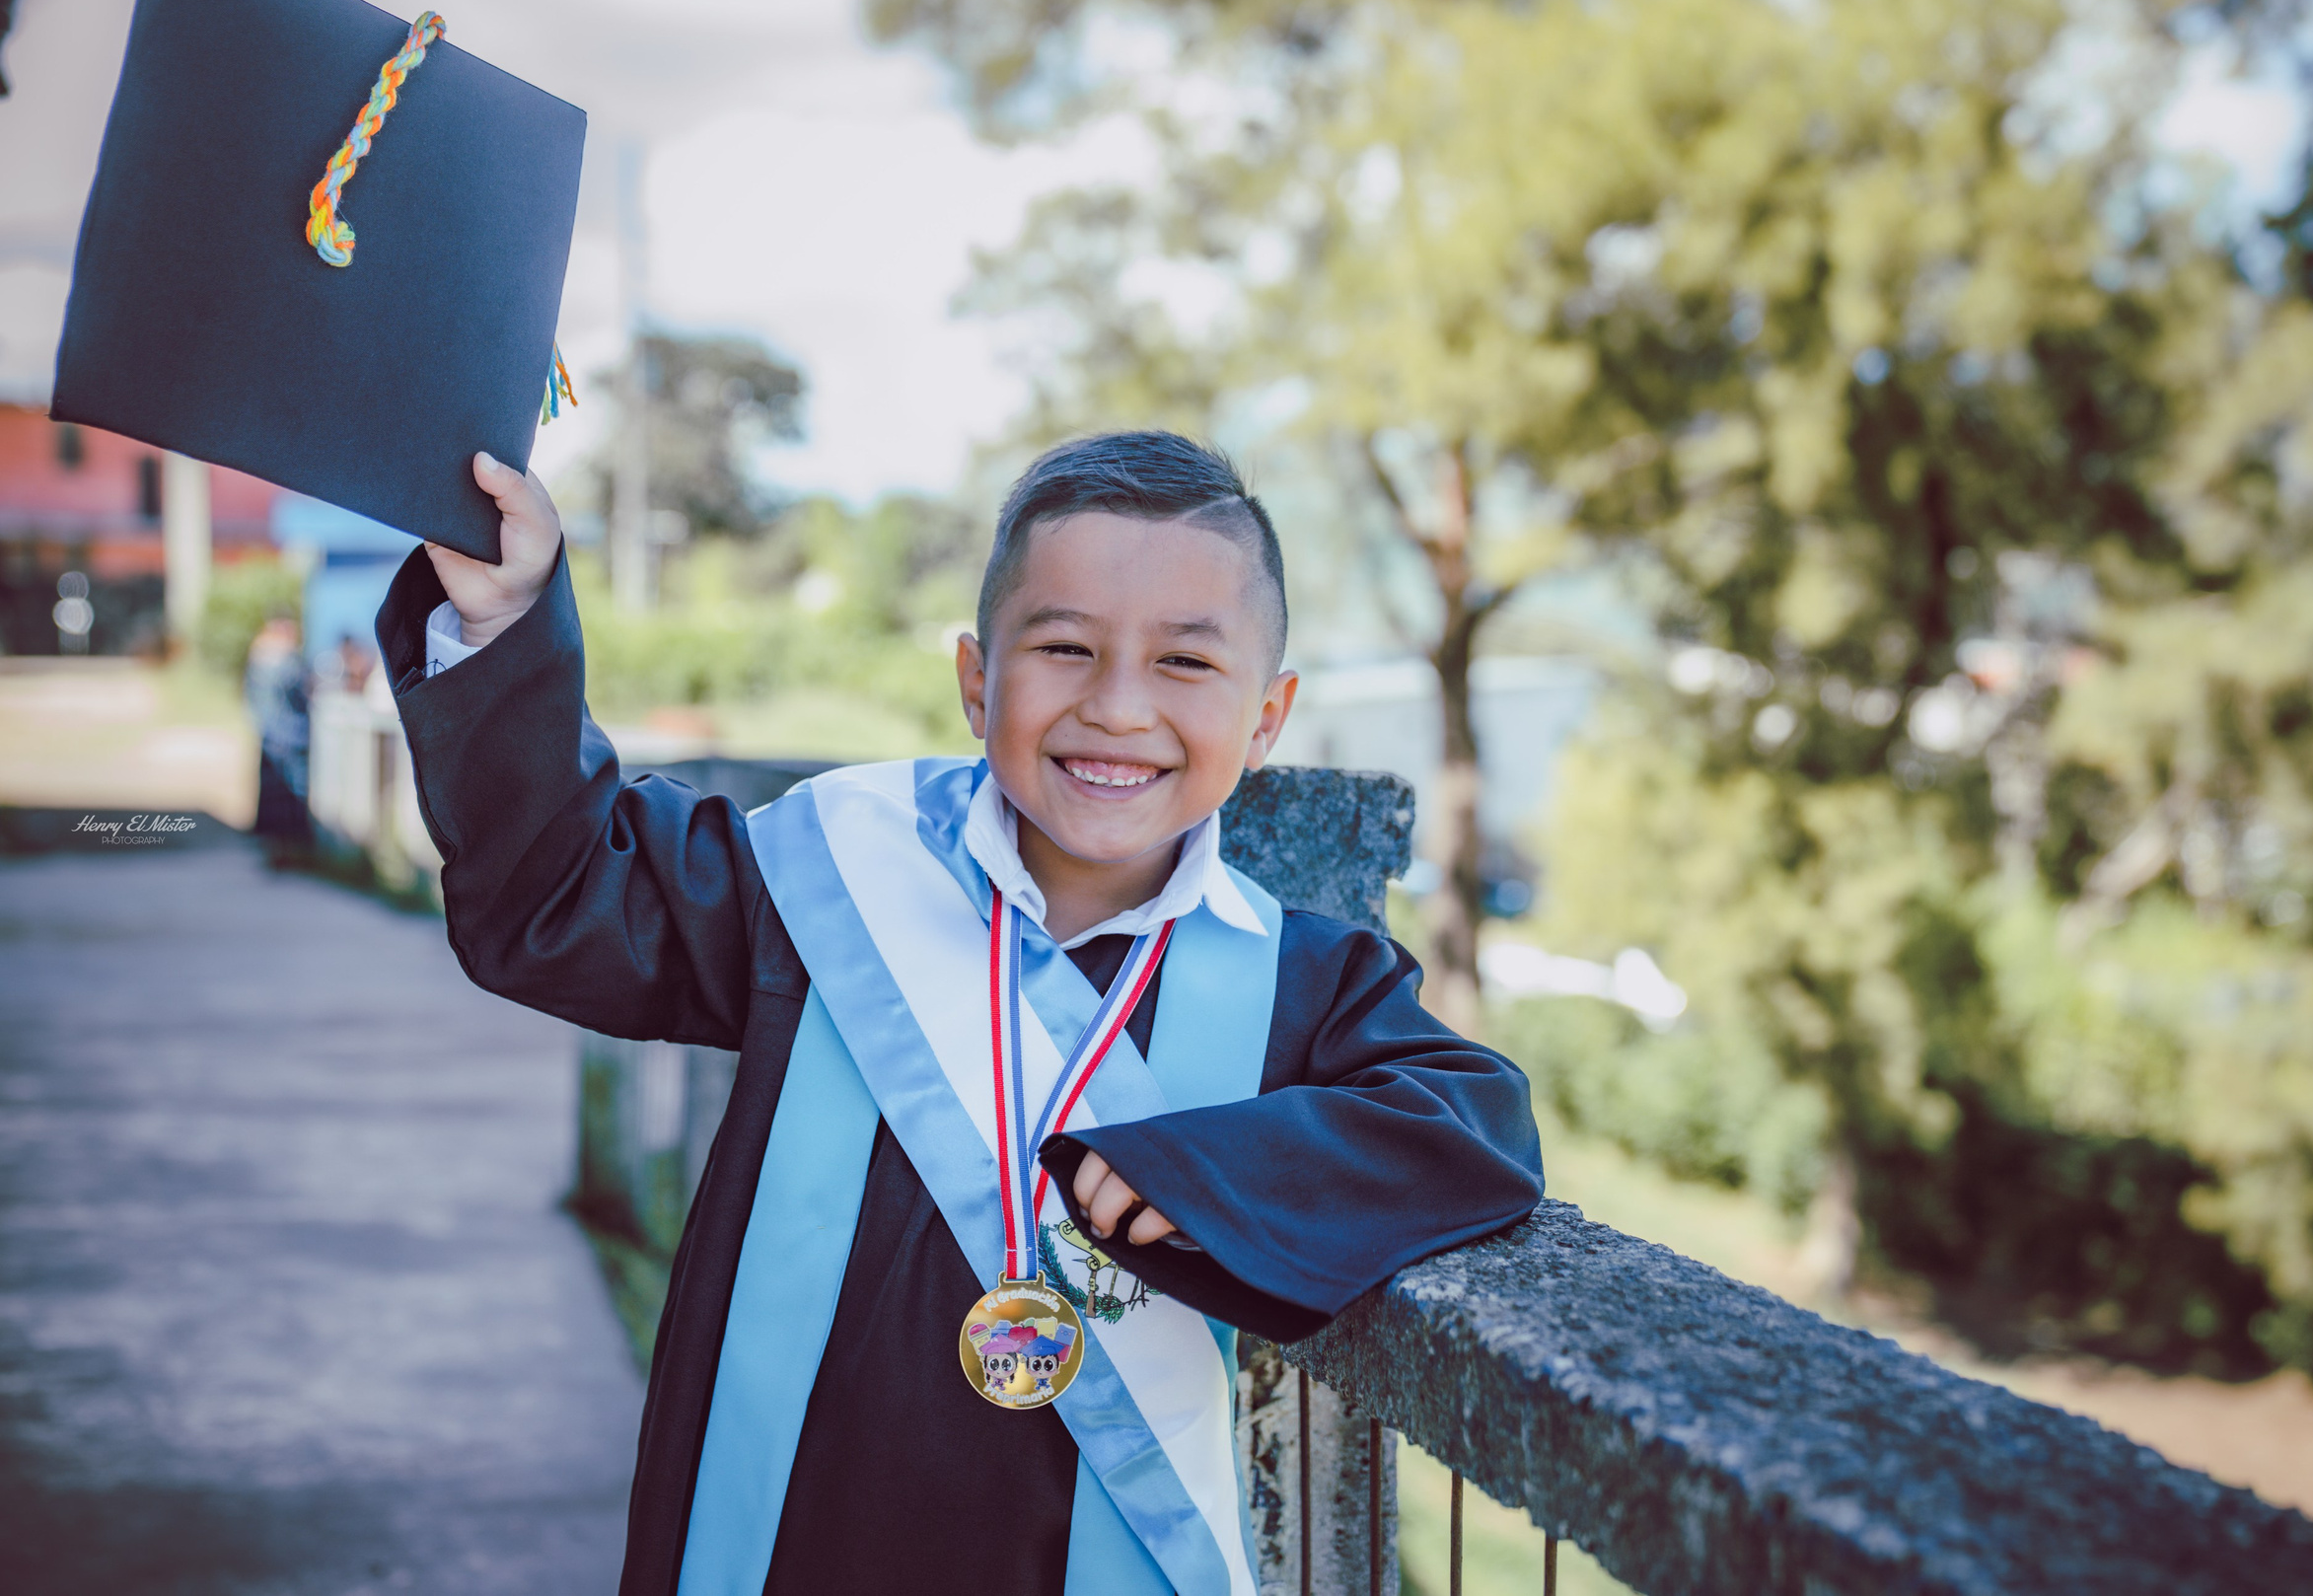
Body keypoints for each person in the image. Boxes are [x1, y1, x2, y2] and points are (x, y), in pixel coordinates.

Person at [379, 430, 1543, 1596]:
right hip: (793, 1543)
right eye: (1064, 647)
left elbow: (1475, 1125)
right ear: (977, 682)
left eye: (1185, 662)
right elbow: (561, 899)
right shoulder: (824, 876)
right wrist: (506, 618)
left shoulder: (1301, 980)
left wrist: (1214, 1173)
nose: (1117, 707)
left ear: (1268, 718)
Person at [243, 610, 312, 860]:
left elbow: (252, 700)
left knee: (272, 794)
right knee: (293, 793)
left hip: (269, 734)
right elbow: (299, 696)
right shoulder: (288, 661)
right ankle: (290, 851)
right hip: (292, 735)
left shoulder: (258, 659)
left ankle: (274, 848)